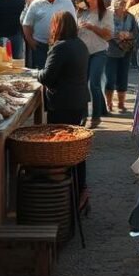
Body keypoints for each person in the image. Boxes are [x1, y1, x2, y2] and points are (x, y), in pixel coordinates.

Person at [35, 11, 91, 184]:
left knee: (62, 145)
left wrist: (36, 73)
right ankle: (79, 184)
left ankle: (63, 182)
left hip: (63, 103)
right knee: (76, 145)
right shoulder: (80, 44)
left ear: (57, 27)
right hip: (79, 100)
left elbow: (47, 77)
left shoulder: (60, 47)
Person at [77, 0, 113, 127]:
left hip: (99, 51)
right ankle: (83, 115)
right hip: (82, 52)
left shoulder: (106, 14)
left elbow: (108, 35)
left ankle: (96, 116)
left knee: (94, 84)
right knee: (82, 84)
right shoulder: (81, 13)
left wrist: (93, 27)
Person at [22, 0, 76, 69]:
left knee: (57, 74)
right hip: (40, 46)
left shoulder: (66, 2)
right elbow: (27, 24)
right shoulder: (36, 3)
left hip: (60, 45)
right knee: (41, 73)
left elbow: (74, 24)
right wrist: (31, 41)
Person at [106, 0, 136, 114]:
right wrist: (118, 34)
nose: (122, 7)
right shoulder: (108, 17)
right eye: (119, 5)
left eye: (124, 4)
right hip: (111, 50)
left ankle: (121, 103)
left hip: (126, 50)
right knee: (110, 78)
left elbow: (135, 32)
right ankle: (108, 103)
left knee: (123, 77)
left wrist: (128, 35)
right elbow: (106, 31)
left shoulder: (130, 17)